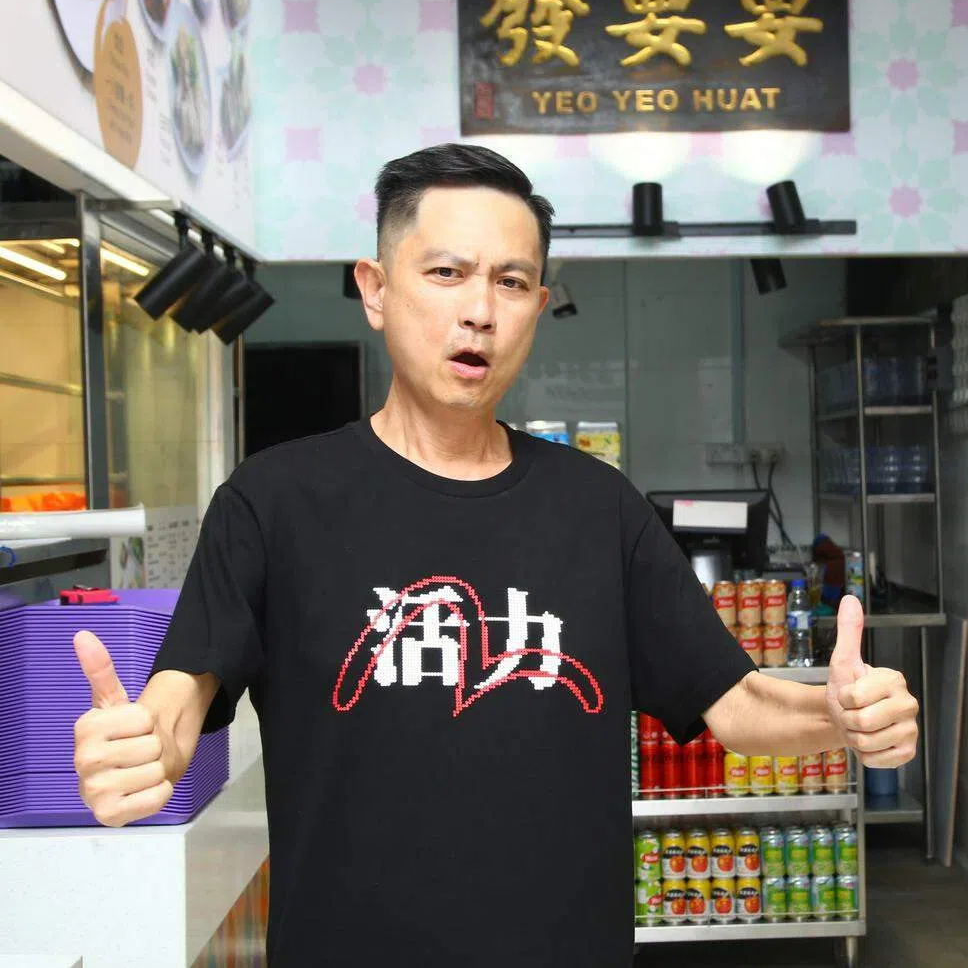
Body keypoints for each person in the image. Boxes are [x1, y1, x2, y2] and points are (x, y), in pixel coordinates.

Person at [72, 143, 919, 968]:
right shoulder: (271, 503)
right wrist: (142, 748)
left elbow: (734, 702)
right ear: (375, 289)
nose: (480, 309)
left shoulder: (600, 508)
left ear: (538, 305)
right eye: (446, 272)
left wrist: (838, 716)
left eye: (511, 282)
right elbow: (178, 699)